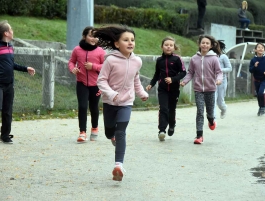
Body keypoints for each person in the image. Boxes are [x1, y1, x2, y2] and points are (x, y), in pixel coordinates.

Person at [93, 24, 149, 181]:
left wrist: (141, 93)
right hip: (110, 102)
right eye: (126, 40)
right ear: (117, 44)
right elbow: (101, 80)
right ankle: (111, 136)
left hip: (126, 102)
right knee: (109, 132)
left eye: (132, 40)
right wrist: (111, 94)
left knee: (121, 131)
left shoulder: (137, 61)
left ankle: (118, 165)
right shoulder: (110, 60)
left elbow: (135, 79)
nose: (130, 43)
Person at [0, 20, 35, 144]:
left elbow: (11, 64)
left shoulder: (10, 47)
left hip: (9, 84)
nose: (12, 31)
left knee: (7, 110)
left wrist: (25, 68)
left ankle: (5, 135)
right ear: (6, 33)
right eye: (11, 29)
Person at [180, 35, 222, 144]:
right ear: (199, 44)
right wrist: (185, 81)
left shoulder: (214, 58)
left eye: (207, 43)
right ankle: (199, 136)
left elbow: (219, 72)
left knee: (210, 112)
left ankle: (211, 120)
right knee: (199, 111)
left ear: (211, 45)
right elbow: (190, 73)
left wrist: (218, 80)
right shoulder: (194, 58)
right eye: (203, 43)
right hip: (198, 89)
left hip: (211, 89)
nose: (205, 45)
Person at [68, 26, 105, 143]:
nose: (93, 38)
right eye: (91, 36)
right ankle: (82, 132)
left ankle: (94, 128)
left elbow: (105, 67)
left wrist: (93, 66)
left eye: (95, 36)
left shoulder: (100, 51)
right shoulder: (77, 50)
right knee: (82, 106)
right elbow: (71, 62)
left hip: (96, 84)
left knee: (94, 107)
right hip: (81, 82)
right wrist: (73, 69)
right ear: (84, 37)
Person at [146, 36, 186, 141]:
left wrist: (173, 79)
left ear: (174, 47)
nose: (168, 47)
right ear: (162, 47)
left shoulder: (177, 59)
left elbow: (183, 72)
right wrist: (152, 83)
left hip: (174, 89)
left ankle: (172, 125)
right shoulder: (159, 60)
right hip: (162, 89)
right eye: (166, 45)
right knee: (163, 108)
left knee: (171, 109)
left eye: (171, 45)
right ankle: (162, 130)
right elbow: (157, 74)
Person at [249, 43, 265, 116]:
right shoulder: (253, 60)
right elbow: (250, 70)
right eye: (258, 47)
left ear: (264, 50)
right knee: (258, 94)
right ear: (255, 50)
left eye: (262, 47)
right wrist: (255, 66)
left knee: (261, 93)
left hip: (264, 79)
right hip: (256, 80)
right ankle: (260, 107)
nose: (260, 49)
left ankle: (263, 107)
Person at [214, 40, 232, 120]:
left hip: (222, 81)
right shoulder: (209, 56)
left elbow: (229, 68)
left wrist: (219, 70)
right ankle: (213, 119)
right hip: (211, 81)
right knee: (213, 101)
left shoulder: (223, 57)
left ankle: (223, 109)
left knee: (220, 102)